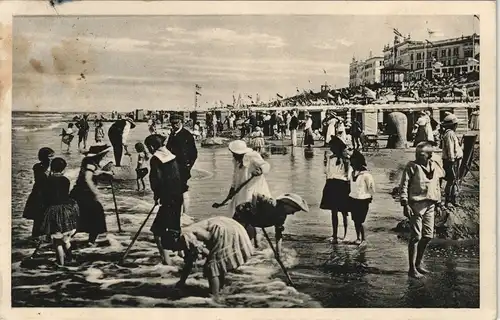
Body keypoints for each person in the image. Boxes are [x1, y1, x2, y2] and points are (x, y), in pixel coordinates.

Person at [174, 216, 254, 297]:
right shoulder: (186, 235)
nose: (174, 251)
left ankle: (215, 297)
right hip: (231, 225)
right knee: (216, 263)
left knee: (211, 266)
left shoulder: (185, 236)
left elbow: (207, 239)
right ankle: (220, 290)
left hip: (223, 229)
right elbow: (190, 261)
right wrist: (182, 281)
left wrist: (208, 256)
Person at [399, 141, 445, 278]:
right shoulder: (411, 167)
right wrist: (405, 204)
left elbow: (437, 183)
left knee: (427, 236)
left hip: (431, 204)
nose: (418, 156)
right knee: (416, 237)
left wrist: (439, 202)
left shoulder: (435, 166)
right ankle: (412, 268)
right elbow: (404, 186)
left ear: (429, 155)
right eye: (417, 153)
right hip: (416, 205)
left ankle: (418, 264)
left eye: (421, 154)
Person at [214, 140, 271, 247]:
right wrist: (231, 191)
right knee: (239, 216)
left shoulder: (253, 156)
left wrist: (260, 170)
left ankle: (255, 244)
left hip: (254, 191)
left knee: (251, 218)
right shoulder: (236, 161)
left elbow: (266, 165)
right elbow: (235, 178)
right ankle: (245, 242)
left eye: (234, 153)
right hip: (241, 191)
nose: (233, 155)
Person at [145, 134, 184, 265]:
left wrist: (157, 196)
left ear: (151, 147)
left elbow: (156, 180)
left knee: (158, 231)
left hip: (167, 198)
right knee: (175, 226)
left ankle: (166, 261)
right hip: (178, 196)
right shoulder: (172, 156)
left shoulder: (156, 159)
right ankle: (181, 253)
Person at [233, 193, 309, 258]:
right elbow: (255, 194)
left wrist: (278, 252)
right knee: (240, 243)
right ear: (287, 205)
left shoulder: (281, 217)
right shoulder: (271, 204)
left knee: (254, 247)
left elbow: (278, 235)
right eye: (293, 211)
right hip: (242, 216)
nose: (292, 213)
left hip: (255, 222)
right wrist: (254, 208)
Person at [40, 158, 80, 266]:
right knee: (65, 238)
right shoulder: (66, 180)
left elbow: (45, 198)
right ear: (63, 169)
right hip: (66, 210)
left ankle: (60, 265)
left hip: (53, 211)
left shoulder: (47, 180)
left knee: (57, 241)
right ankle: (71, 259)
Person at [70, 145, 113, 246]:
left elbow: (92, 172)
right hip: (85, 193)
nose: (104, 156)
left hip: (77, 192)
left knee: (80, 216)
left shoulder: (87, 161)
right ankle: (91, 241)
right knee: (97, 214)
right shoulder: (91, 164)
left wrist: (103, 172)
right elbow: (88, 178)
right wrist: (95, 192)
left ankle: (66, 239)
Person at [320, 136, 352, 243]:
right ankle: (334, 235)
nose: (330, 149)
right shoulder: (330, 158)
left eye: (332, 147)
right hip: (332, 184)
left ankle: (346, 234)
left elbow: (349, 175)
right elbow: (328, 173)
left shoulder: (346, 160)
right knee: (333, 212)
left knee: (344, 212)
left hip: (342, 185)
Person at [166, 114, 198, 215]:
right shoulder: (172, 133)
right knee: (175, 190)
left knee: (183, 189)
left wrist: (188, 166)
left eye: (176, 123)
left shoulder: (187, 135)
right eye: (172, 123)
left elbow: (194, 153)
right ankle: (177, 212)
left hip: (182, 167)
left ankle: (184, 213)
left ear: (181, 122)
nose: (174, 125)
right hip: (173, 166)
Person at [23, 147, 55, 239]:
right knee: (38, 217)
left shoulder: (52, 167)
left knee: (49, 217)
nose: (52, 158)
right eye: (50, 156)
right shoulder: (37, 167)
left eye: (53, 156)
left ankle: (46, 237)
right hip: (39, 195)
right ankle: (35, 237)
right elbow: (42, 179)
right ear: (44, 157)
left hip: (48, 194)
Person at [348, 150, 375, 245]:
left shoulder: (366, 175)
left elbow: (371, 188)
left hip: (363, 200)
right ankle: (358, 237)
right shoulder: (352, 174)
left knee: (361, 220)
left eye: (353, 163)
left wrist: (369, 197)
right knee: (355, 220)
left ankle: (363, 239)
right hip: (353, 199)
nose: (351, 165)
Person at [440, 114, 463, 207]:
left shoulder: (450, 133)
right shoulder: (449, 134)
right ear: (453, 125)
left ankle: (453, 199)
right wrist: (452, 159)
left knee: (453, 180)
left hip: (453, 160)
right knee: (451, 180)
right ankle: (448, 200)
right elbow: (450, 148)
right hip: (451, 160)